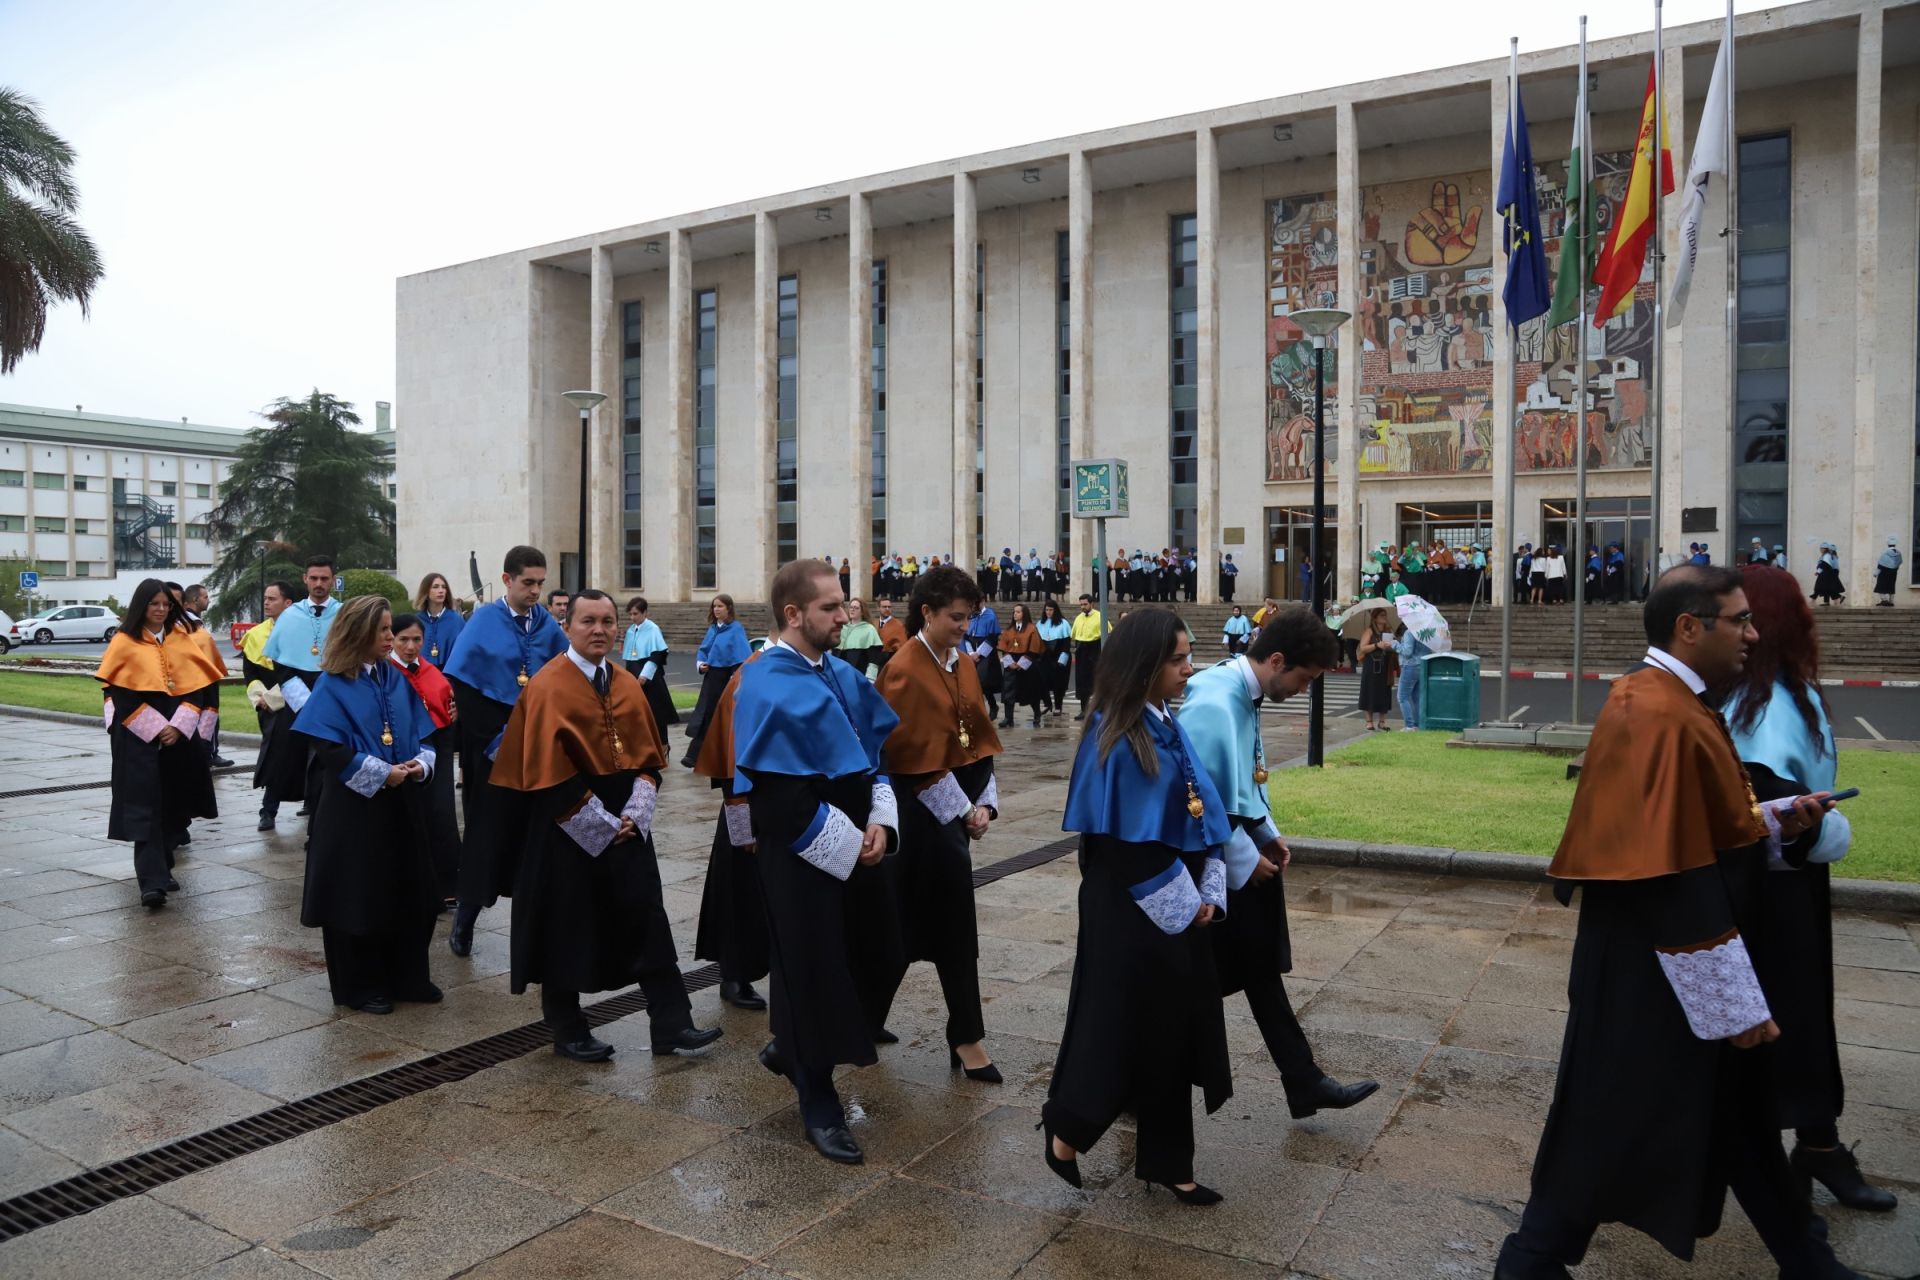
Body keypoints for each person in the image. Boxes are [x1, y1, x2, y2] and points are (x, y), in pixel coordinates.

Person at [1496, 565, 1856, 1280]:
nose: (1754, 635)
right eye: (1739, 621)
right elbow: (1671, 872)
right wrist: (1732, 1003)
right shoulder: (1653, 711)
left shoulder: (1675, 701)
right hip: (1654, 970)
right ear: (1690, 628)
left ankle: (1809, 1263)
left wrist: (1771, 821)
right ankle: (1530, 1261)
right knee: (1606, 1120)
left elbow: (1701, 828)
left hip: (1674, 965)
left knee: (1739, 1116)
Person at [1043, 608, 1232, 1204]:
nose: (1188, 668)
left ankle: (1170, 1161)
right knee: (1118, 1029)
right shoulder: (1117, 735)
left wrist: (1211, 885)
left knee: (1170, 1036)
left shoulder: (1163, 722)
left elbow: (1196, 812)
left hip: (1172, 900)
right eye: (1176, 659)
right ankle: (1067, 1130)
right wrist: (1187, 905)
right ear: (1144, 665)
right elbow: (1122, 846)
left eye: (1186, 656)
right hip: (1132, 909)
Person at [1724, 566, 1896, 1214]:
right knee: (1773, 1022)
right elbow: (1762, 795)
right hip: (1764, 882)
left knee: (1798, 1015)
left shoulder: (1784, 690)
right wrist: (1816, 828)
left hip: (1796, 877)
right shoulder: (1751, 701)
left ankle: (1817, 1146)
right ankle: (1801, 1158)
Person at [488, 589, 722, 1063]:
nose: (599, 630)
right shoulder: (547, 686)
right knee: (565, 925)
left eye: (608, 621)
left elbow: (649, 758)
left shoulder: (628, 682)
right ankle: (568, 1028)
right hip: (566, 823)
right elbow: (542, 772)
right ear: (568, 626)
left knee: (648, 920)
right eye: (588, 621)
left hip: (629, 822)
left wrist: (636, 809)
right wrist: (597, 824)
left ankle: (672, 1024)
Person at [1179, 606, 1379, 1118]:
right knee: (1199, 978)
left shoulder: (1240, 693)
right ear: (1275, 659)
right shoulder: (1217, 699)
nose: (1305, 690)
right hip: (1213, 855)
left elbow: (1242, 775)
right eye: (1305, 678)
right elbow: (1200, 792)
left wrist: (1268, 832)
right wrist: (1244, 855)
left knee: (1256, 965)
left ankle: (1302, 1079)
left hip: (1237, 843)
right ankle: (1135, 1080)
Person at [735, 559, 903, 1164]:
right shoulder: (766, 680)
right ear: (794, 614)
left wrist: (881, 820)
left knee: (880, 951)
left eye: (844, 603)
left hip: (859, 840)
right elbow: (778, 799)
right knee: (811, 970)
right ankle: (817, 1099)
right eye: (831, 607)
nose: (844, 614)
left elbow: (873, 754)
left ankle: (790, 1046)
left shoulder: (838, 671)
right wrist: (851, 844)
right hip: (804, 848)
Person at [874, 564, 1006, 1082]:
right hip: (918, 822)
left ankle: (869, 1018)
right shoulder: (905, 668)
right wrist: (963, 812)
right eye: (955, 617)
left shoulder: (961, 662)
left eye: (969, 617)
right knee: (938, 930)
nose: (964, 626)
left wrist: (986, 804)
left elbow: (978, 741)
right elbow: (913, 760)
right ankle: (967, 1038)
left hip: (953, 818)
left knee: (912, 928)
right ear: (925, 612)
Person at [292, 596, 441, 1013]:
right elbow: (329, 748)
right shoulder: (334, 683)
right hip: (355, 810)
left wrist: (419, 763)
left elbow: (424, 734)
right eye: (383, 630)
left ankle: (408, 977)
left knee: (410, 890)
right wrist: (380, 772)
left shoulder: (394, 679)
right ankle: (361, 986)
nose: (391, 637)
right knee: (359, 895)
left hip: (402, 802)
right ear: (359, 632)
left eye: (391, 629)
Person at [441, 545, 568, 957]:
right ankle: (465, 920)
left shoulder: (546, 624)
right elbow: (464, 684)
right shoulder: (482, 622)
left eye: (540, 584)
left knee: (535, 838)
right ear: (508, 579)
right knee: (487, 834)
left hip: (536, 748)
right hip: (492, 748)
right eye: (528, 582)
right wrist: (498, 742)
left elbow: (562, 676)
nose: (535, 591)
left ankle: (538, 926)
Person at [96, 580, 224, 908]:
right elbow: (121, 695)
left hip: (179, 734)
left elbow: (197, 689)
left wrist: (180, 726)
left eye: (166, 604)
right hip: (138, 735)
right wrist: (156, 729)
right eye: (154, 604)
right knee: (145, 806)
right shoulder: (124, 642)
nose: (161, 609)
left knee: (173, 804)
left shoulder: (182, 639)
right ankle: (151, 882)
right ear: (142, 605)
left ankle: (164, 863)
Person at [693, 644, 771, 1011]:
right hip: (751, 804)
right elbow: (729, 752)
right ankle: (734, 973)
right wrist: (742, 825)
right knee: (740, 888)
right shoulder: (751, 672)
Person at [260, 555, 343, 818]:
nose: (319, 583)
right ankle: (268, 809)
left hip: (331, 690)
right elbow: (280, 660)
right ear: (305, 579)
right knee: (282, 753)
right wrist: (300, 698)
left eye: (324, 579)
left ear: (332, 580)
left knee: (325, 755)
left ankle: (316, 807)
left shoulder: (343, 614)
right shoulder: (289, 616)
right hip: (295, 692)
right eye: (314, 578)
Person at [391, 612, 462, 909]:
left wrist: (453, 715)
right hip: (404, 748)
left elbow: (445, 702)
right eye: (403, 639)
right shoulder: (388, 672)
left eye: (416, 639)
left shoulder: (431, 670)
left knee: (441, 812)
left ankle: (449, 882)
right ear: (392, 639)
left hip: (439, 746)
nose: (410, 646)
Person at [243, 580, 302, 830]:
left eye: (272, 598)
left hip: (298, 702)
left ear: (288, 603)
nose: (266, 602)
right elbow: (250, 673)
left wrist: (277, 697)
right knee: (274, 757)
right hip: (268, 708)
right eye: (266, 598)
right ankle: (268, 809)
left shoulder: (302, 634)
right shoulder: (256, 635)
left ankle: (310, 800)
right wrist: (262, 699)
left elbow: (300, 671)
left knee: (307, 754)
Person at [682, 594, 750, 768]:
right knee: (706, 714)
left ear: (729, 608)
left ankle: (700, 755)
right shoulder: (713, 628)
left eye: (720, 606)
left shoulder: (736, 629)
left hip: (728, 678)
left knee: (724, 717)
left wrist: (734, 678)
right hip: (711, 677)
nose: (716, 609)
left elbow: (741, 656)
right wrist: (701, 664)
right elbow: (703, 650)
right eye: (714, 606)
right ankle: (694, 755)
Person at [178, 583, 235, 769]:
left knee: (209, 716)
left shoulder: (194, 621)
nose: (208, 600)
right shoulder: (186, 623)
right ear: (195, 599)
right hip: (198, 678)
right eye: (205, 597)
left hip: (206, 676)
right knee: (203, 714)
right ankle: (204, 752)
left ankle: (208, 752)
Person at [618, 596, 679, 753]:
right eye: (630, 614)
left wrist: (645, 675)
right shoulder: (631, 630)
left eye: (635, 614)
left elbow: (657, 654)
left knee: (657, 713)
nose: (632, 618)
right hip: (633, 673)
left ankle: (664, 746)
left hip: (650, 677)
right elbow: (630, 657)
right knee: (636, 713)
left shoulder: (652, 628)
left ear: (644, 613)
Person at [997, 602, 1046, 729]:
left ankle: (1037, 714)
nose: (1015, 614)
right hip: (1011, 662)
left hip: (1026, 662)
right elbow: (1003, 648)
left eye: (1018, 612)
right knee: (1009, 691)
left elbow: (1034, 649)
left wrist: (1022, 663)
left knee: (1030, 691)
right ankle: (1008, 718)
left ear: (1024, 614)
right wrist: (1009, 661)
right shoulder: (1009, 630)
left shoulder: (1031, 629)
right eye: (1014, 612)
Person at [413, 572, 466, 665]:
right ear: (426, 590)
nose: (441, 590)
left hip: (448, 676)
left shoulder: (456, 621)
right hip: (420, 675)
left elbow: (463, 654)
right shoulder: (416, 621)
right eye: (435, 587)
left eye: (443, 587)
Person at [1356, 608, 1396, 731]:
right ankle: (1369, 721)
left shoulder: (1388, 631)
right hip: (1371, 665)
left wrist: (1392, 644)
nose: (1384, 617)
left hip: (1384, 665)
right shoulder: (1369, 631)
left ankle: (1382, 721)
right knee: (1370, 691)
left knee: (1384, 692)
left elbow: (1393, 648)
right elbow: (1362, 648)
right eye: (1381, 615)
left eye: (1385, 615)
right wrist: (1376, 645)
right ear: (1375, 618)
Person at [965, 599, 1003, 722]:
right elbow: (966, 636)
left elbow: (992, 638)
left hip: (986, 652)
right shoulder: (971, 616)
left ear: (982, 602)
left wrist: (979, 654)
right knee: (972, 683)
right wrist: (970, 652)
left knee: (984, 682)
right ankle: (978, 710)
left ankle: (992, 706)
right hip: (971, 649)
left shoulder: (990, 616)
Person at [1069, 594, 1103, 720]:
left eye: (1085, 604)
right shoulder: (1079, 618)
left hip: (1095, 650)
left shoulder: (1100, 616)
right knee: (1082, 681)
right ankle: (1084, 710)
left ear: (1091, 604)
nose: (1083, 607)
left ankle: (1099, 709)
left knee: (1096, 681)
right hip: (1081, 650)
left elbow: (1106, 633)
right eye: (1081, 604)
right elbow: (1074, 635)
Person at [1036, 598, 1073, 714]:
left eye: (1051, 610)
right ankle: (1047, 704)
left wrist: (1062, 660)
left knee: (1059, 683)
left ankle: (1058, 706)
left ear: (1055, 610)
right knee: (1041, 681)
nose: (1048, 612)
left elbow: (1067, 644)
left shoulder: (1063, 623)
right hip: (1044, 656)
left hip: (1058, 655)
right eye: (1046, 610)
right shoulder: (1040, 623)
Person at [837, 597, 884, 678]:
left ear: (862, 612)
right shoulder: (842, 627)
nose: (852, 610)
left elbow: (873, 659)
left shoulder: (869, 630)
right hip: (838, 672)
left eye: (856, 608)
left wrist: (870, 679)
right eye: (851, 607)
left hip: (858, 673)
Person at [1394, 624, 1428, 730]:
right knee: (1417, 697)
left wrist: (1395, 644)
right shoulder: (1425, 632)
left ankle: (1409, 725)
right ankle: (1418, 724)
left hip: (1410, 665)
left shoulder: (1409, 632)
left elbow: (1407, 652)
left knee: (1402, 697)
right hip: (1422, 665)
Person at [1873, 537, 1901, 606]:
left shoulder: (1885, 553)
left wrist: (1876, 573)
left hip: (1884, 573)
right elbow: (1899, 563)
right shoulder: (1899, 554)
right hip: (1893, 573)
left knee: (1880, 586)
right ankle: (1891, 601)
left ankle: (1884, 600)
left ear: (1888, 545)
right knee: (1891, 586)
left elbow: (1880, 564)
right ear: (1895, 545)